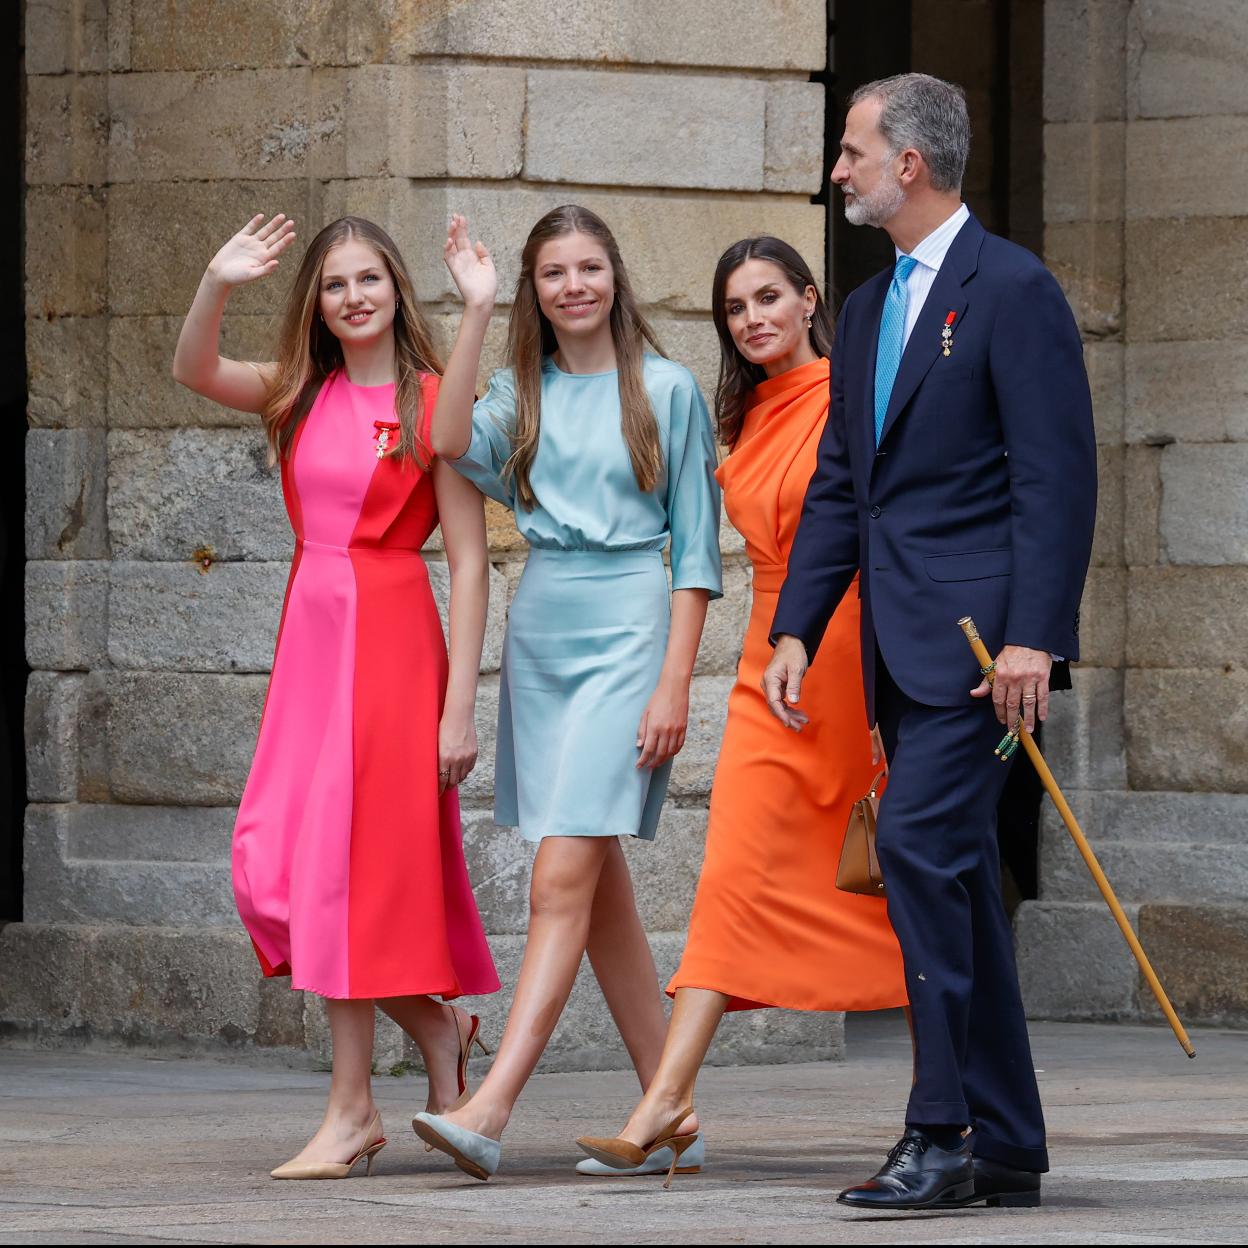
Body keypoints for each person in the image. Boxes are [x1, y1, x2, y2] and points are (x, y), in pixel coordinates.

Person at [764, 73, 1096, 1210]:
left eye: (852, 149)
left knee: (914, 849)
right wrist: (798, 625)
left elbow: (1057, 480)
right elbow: (844, 485)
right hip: (893, 650)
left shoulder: (1014, 289)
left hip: (982, 655)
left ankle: (940, 1131)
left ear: (909, 163)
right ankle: (1007, 1142)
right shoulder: (861, 311)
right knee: (949, 875)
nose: (839, 168)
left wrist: (1033, 642)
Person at [573, 237, 907, 1186]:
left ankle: (954, 1095)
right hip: (770, 659)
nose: (753, 318)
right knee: (733, 868)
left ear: (810, 301)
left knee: (891, 883)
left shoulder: (857, 393)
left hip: (847, 656)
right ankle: (667, 1099)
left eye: (770, 297)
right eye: (735, 307)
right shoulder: (743, 412)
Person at [172, 213, 499, 1180]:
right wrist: (215, 279)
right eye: (333, 284)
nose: (353, 297)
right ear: (316, 303)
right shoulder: (295, 395)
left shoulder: (436, 402)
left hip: (394, 647)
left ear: (399, 289)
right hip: (311, 647)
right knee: (272, 869)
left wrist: (458, 709)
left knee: (344, 877)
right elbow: (194, 369)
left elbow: (471, 566)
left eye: (369, 279)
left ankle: (352, 1108)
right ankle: (439, 1033)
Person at [412, 206, 722, 1181]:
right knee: (599, 896)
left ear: (616, 279)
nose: (574, 285)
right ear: (536, 291)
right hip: (544, 632)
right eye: (554, 272)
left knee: (558, 877)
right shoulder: (519, 393)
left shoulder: (667, 390)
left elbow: (698, 555)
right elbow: (446, 434)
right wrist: (474, 307)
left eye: (589, 267)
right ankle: (667, 1107)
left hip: (632, 627)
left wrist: (674, 681)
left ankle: (490, 1106)